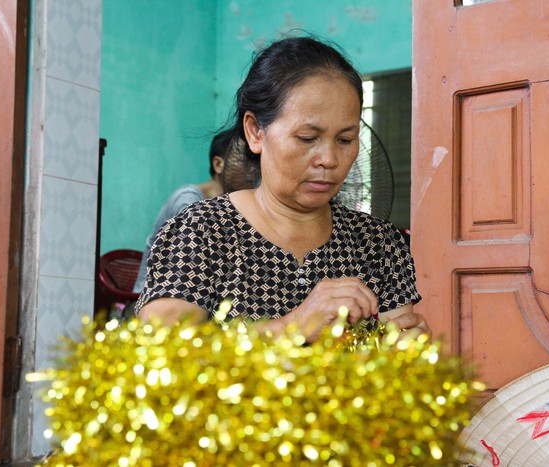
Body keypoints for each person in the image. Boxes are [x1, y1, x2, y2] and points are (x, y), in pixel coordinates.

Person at [134, 35, 429, 343]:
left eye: (344, 140)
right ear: (255, 131)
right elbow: (160, 350)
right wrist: (292, 327)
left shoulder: (377, 244)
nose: (329, 159)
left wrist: (404, 353)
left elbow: (393, 362)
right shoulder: (202, 231)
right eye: (306, 137)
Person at [132, 128, 235, 293]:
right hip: (152, 302)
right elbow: (188, 267)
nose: (253, 170)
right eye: (246, 160)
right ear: (218, 164)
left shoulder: (228, 208)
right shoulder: (189, 201)